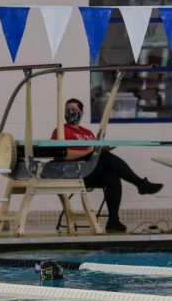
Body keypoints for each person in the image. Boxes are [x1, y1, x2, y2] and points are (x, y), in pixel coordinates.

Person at [51, 98, 163, 233]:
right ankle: (140, 184)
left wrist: (101, 149)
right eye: (68, 110)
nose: (70, 112)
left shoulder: (87, 133)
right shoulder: (61, 130)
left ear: (81, 112)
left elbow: (94, 152)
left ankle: (113, 221)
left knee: (112, 176)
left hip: (91, 170)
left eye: (74, 110)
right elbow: (62, 155)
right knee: (103, 157)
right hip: (74, 170)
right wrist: (88, 151)